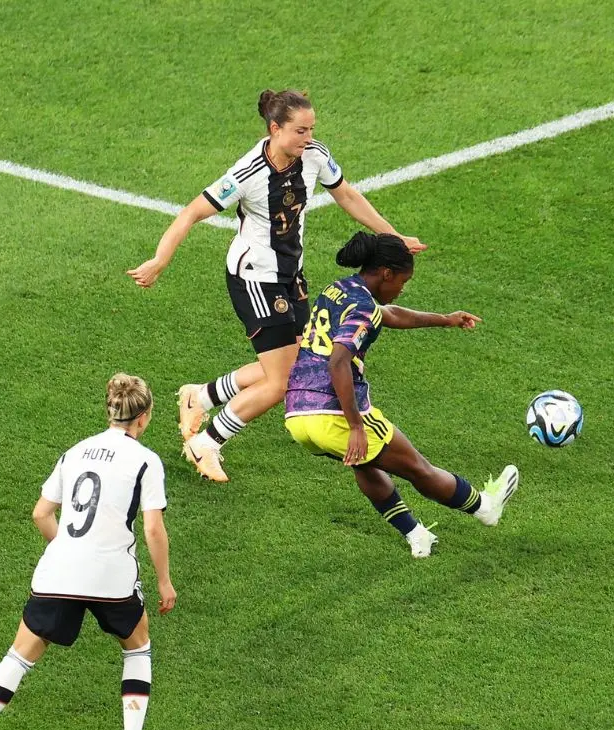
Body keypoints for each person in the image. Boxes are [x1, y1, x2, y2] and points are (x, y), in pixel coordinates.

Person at [127, 89, 426, 483]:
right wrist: (160, 260)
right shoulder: (248, 174)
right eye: (300, 130)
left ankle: (200, 397)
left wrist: (394, 238)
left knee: (292, 362)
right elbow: (191, 213)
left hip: (290, 277)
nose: (308, 137)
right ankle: (207, 443)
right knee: (284, 379)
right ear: (275, 128)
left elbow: (347, 195)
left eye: (311, 129)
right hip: (254, 278)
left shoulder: (315, 155)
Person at [0, 373, 176, 730]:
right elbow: (153, 530)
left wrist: (66, 548)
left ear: (109, 410)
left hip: (59, 569)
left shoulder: (75, 452)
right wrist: (164, 580)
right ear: (144, 416)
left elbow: (41, 513)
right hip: (111, 577)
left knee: (20, 655)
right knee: (137, 647)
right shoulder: (146, 461)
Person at [284, 232, 519, 558]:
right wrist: (355, 426)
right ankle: (484, 507)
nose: (403, 287)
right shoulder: (364, 308)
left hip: (297, 415)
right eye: (403, 281)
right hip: (334, 413)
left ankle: (416, 535)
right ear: (386, 273)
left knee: (365, 465)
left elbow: (390, 313)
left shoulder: (338, 289)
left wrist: (445, 320)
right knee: (419, 468)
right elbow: (339, 360)